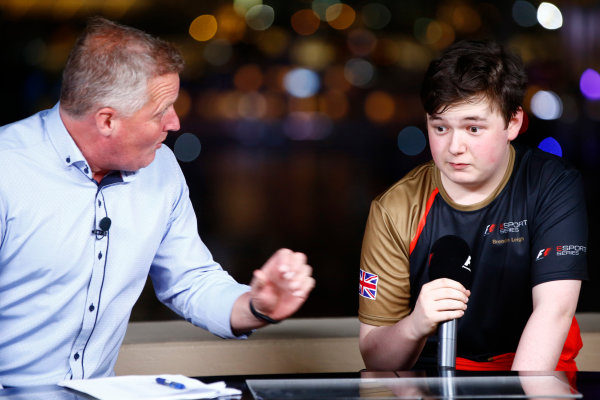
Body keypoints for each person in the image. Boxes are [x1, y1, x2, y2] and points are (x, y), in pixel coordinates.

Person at [0, 17, 314, 387]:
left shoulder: (161, 167)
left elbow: (190, 281)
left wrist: (258, 306)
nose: (176, 123)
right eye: (160, 111)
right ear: (107, 121)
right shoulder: (8, 170)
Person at [358, 40, 588, 372]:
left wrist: (517, 394)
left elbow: (553, 312)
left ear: (512, 123)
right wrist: (417, 323)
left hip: (533, 376)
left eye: (473, 128)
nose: (454, 147)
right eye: (440, 128)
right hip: (428, 380)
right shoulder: (395, 208)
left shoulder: (552, 184)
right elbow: (376, 360)